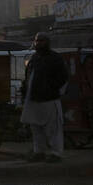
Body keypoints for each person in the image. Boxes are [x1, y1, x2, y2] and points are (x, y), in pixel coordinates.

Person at [21, 31, 69, 163]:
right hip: (34, 99)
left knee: (53, 129)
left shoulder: (55, 58)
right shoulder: (33, 59)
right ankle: (39, 152)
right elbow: (28, 78)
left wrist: (51, 88)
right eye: (37, 41)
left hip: (49, 99)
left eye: (42, 41)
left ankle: (56, 153)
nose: (39, 43)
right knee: (36, 128)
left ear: (47, 42)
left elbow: (63, 77)